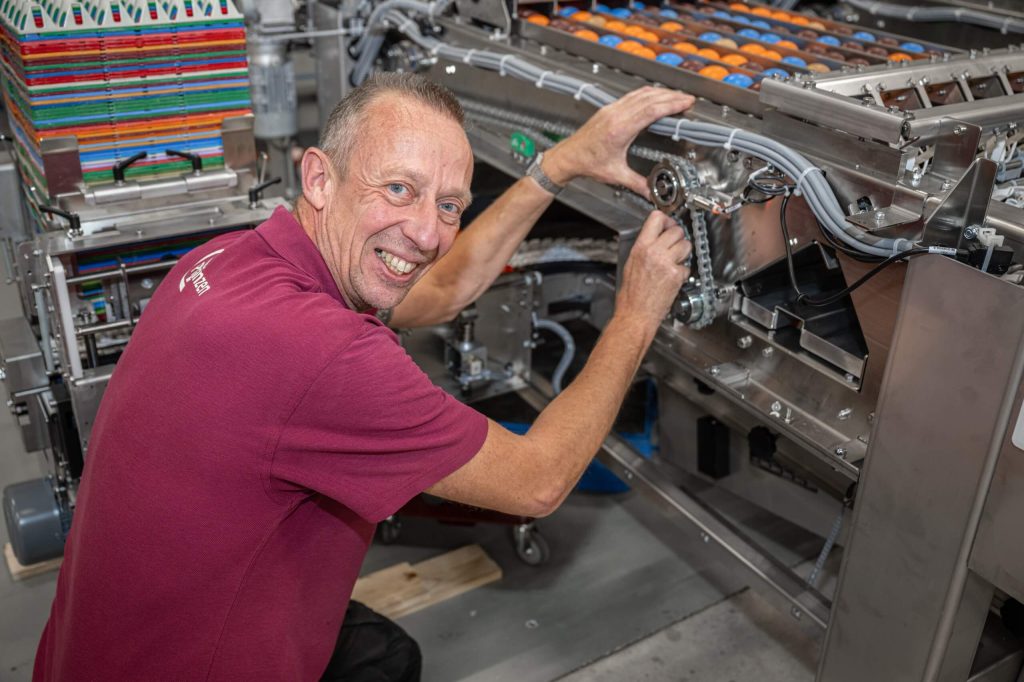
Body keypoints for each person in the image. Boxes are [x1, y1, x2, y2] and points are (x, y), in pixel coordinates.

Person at [33, 73, 694, 681]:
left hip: (93, 652)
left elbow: (439, 289)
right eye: (399, 189)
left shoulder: (231, 257)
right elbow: (539, 481)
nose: (428, 232)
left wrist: (561, 164)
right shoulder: (323, 353)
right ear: (320, 178)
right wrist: (636, 314)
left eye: (448, 205)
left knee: (386, 654)